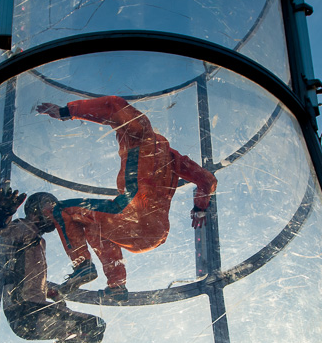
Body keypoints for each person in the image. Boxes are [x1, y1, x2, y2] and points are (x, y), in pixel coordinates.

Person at [35, 95, 217, 299]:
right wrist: (200, 209)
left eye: (118, 130)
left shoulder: (140, 132)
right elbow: (207, 180)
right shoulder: (172, 157)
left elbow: (113, 105)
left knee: (63, 210)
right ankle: (117, 286)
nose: (117, 135)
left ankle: (82, 265)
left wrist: (66, 112)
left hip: (132, 215)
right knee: (93, 225)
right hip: (156, 234)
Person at [0, 186, 106, 343]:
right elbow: (4, 231)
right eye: (50, 208)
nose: (55, 214)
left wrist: (54, 294)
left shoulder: (36, 240)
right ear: (35, 210)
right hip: (26, 309)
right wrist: (3, 214)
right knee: (94, 326)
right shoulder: (25, 227)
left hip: (29, 310)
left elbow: (27, 275)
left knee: (90, 329)